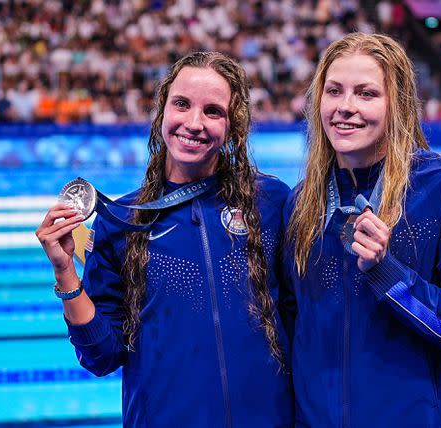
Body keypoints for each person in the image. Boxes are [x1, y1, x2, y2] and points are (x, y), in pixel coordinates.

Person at [36, 52, 294, 426]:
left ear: (233, 125)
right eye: (182, 104)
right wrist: (66, 274)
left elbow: (301, 318)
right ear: (162, 113)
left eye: (213, 111)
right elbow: (101, 356)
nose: (194, 123)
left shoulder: (270, 202)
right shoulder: (121, 221)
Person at [283, 33, 441, 427]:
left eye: (366, 94)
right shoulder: (302, 204)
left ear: (397, 104)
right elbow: (295, 332)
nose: (345, 108)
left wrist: (390, 274)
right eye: (334, 91)